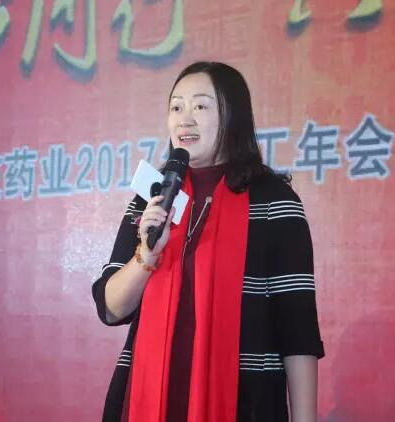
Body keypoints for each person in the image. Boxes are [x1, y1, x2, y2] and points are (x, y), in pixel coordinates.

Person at [92, 61, 324, 422]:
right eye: (176, 107)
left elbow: (298, 329)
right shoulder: (152, 195)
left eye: (200, 106)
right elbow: (111, 308)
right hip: (146, 399)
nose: (184, 119)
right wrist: (146, 255)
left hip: (245, 401)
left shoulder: (273, 200)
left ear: (233, 116)